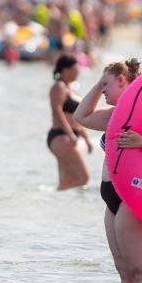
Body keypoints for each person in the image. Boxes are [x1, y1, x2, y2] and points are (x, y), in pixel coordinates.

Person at [75, 58, 142, 283]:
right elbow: (81, 116)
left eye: (106, 85)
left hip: (133, 196)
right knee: (124, 272)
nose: (103, 90)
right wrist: (99, 83)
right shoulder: (112, 115)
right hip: (112, 199)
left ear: (121, 81)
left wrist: (141, 141)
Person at [48, 55, 92, 190]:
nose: (78, 71)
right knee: (83, 177)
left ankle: (59, 207)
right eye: (75, 69)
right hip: (61, 136)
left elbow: (76, 117)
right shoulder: (58, 87)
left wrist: (86, 139)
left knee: (66, 182)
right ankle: (75, 207)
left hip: (69, 136)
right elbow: (57, 111)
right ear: (65, 70)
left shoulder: (71, 88)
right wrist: (70, 134)